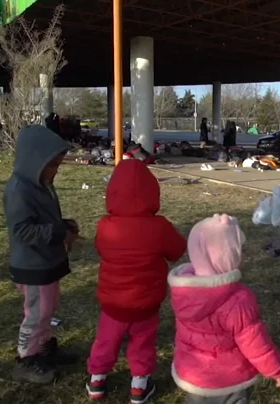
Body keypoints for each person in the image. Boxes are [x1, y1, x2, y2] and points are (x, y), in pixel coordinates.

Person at [86, 159, 187, 402]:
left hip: (113, 301)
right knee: (143, 341)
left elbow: (101, 248)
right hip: (146, 301)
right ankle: (139, 385)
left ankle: (97, 379)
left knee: (106, 340)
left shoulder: (105, 225)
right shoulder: (159, 227)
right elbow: (177, 250)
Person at [168, 214, 280, 403]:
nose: (244, 255)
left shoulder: (184, 291)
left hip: (195, 374)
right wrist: (274, 368)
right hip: (229, 378)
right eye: (240, 250)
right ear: (225, 256)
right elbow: (254, 341)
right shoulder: (237, 300)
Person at [4, 125, 79, 384]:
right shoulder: (19, 190)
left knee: (48, 309)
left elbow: (47, 219)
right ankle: (27, 359)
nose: (55, 171)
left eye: (57, 165)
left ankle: (45, 349)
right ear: (33, 160)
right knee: (36, 313)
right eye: (52, 165)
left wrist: (65, 225)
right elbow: (23, 231)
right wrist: (58, 232)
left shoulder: (42, 184)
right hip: (32, 266)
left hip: (48, 261)